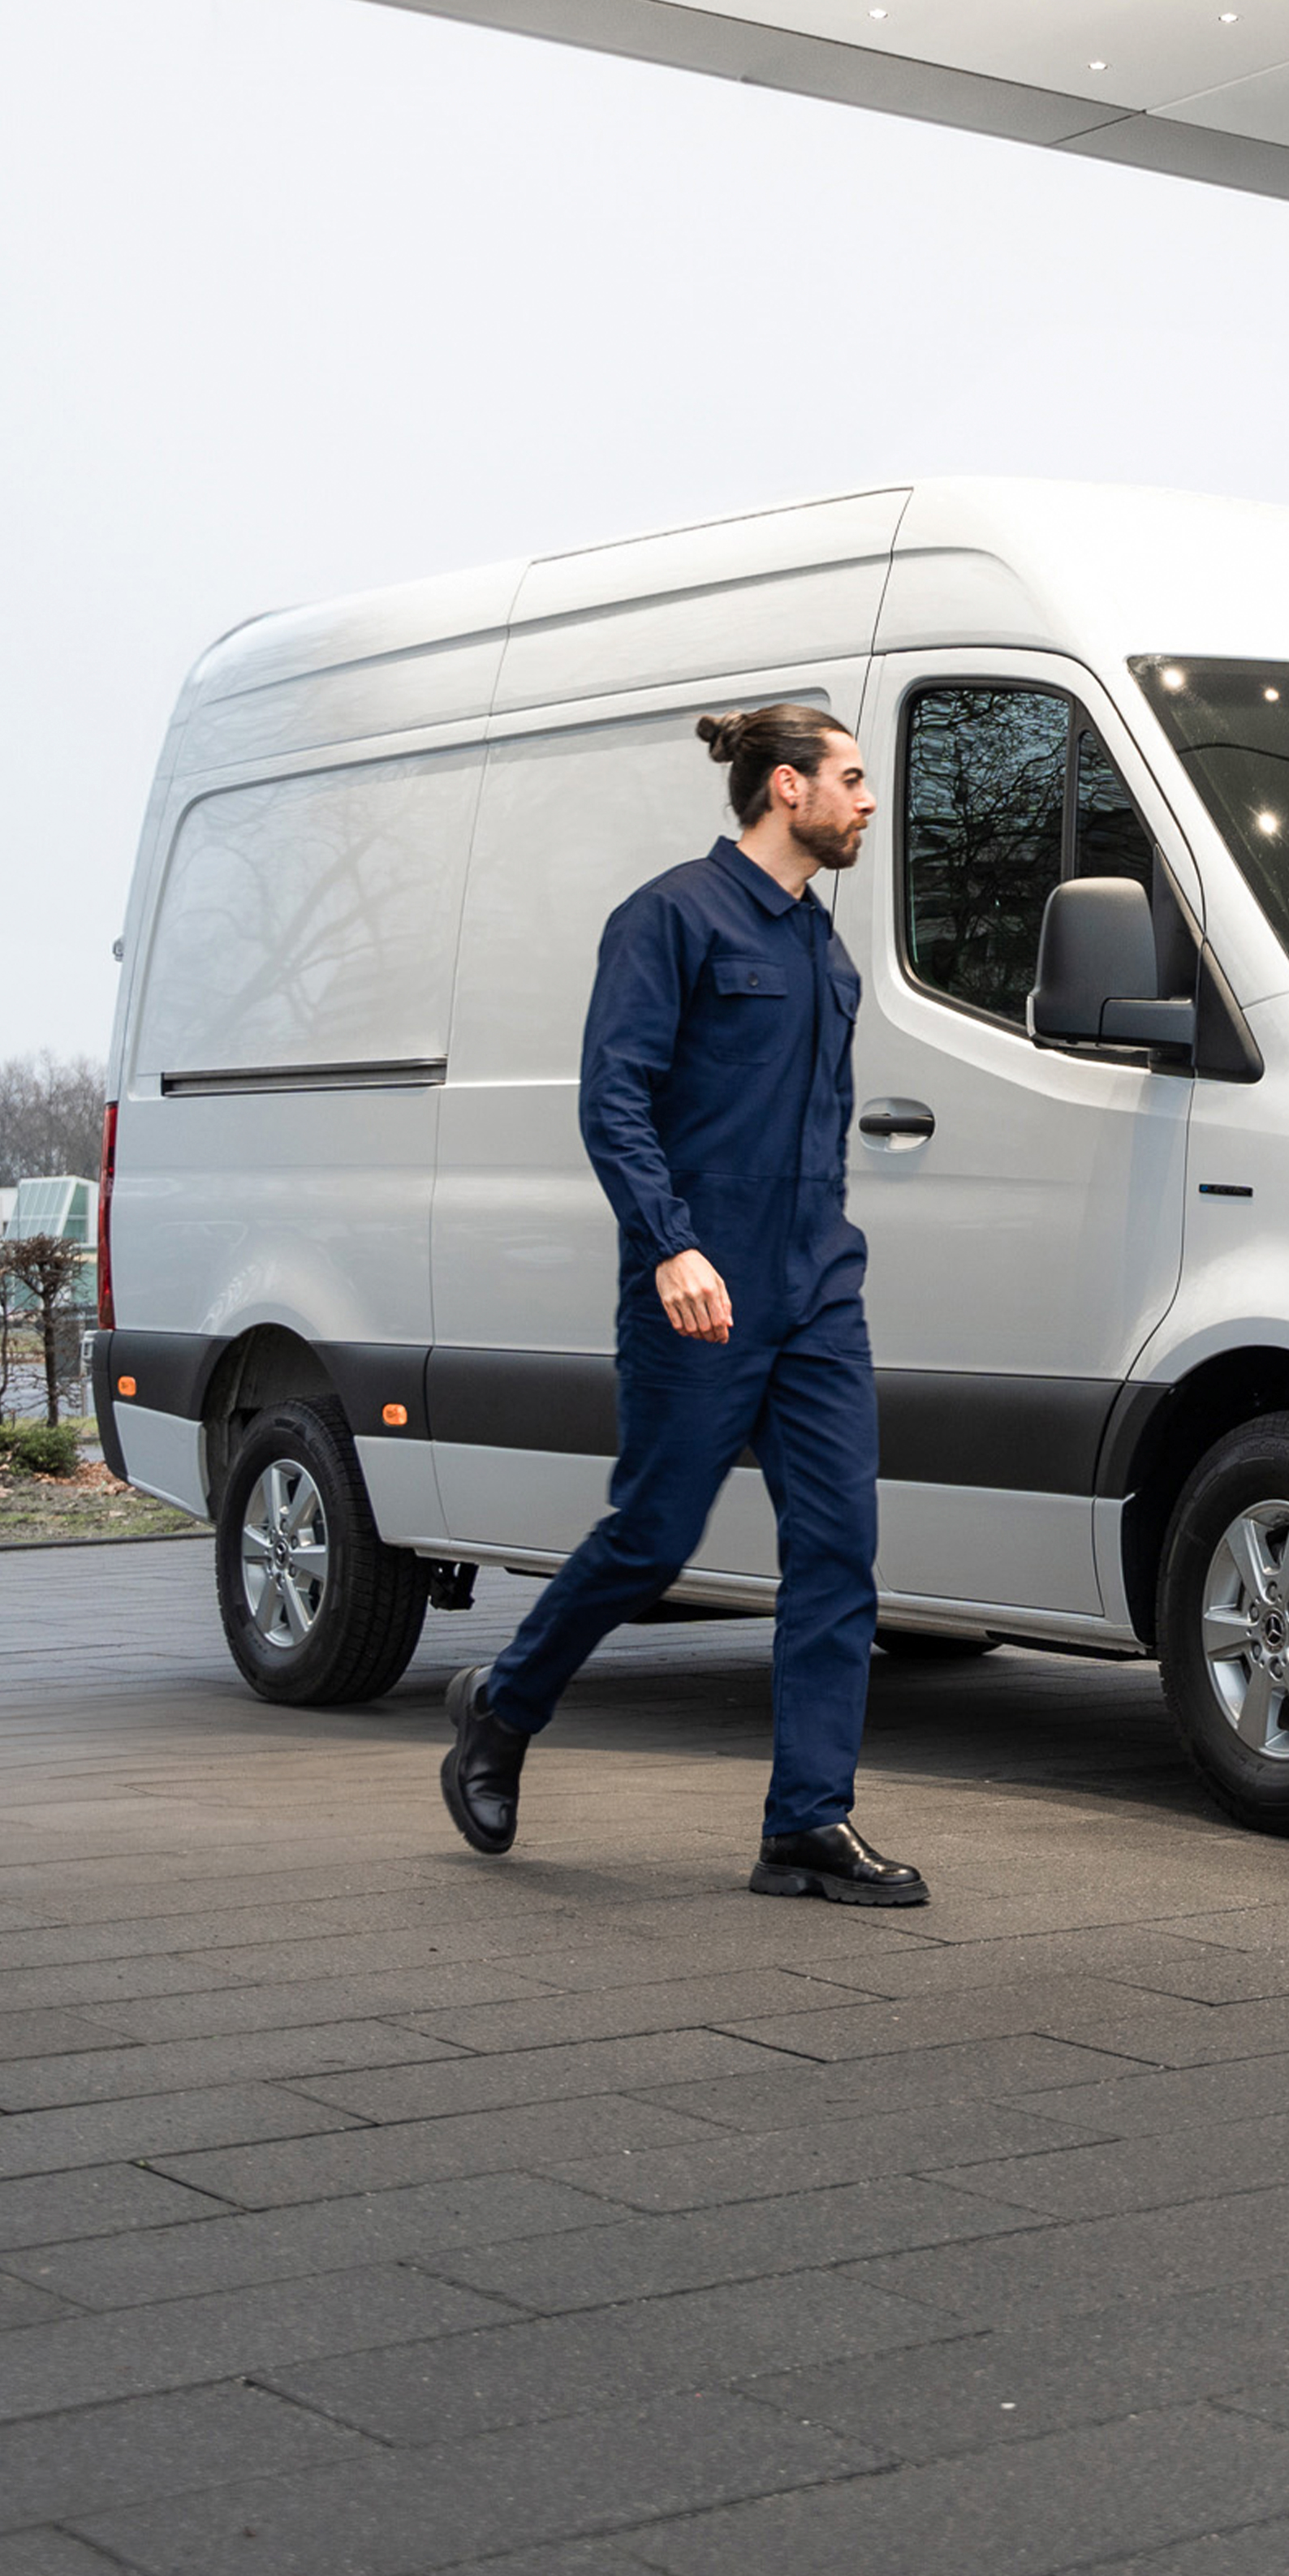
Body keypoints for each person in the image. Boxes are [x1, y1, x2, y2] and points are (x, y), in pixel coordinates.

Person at [440, 704, 926, 1906]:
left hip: (818, 1289)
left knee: (838, 1551)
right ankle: (502, 1705)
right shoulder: (670, 918)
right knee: (655, 1536)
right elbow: (616, 1100)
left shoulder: (828, 950)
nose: (869, 801)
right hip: (700, 1288)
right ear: (783, 789)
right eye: (851, 780)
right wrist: (670, 1248)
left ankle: (807, 1825)